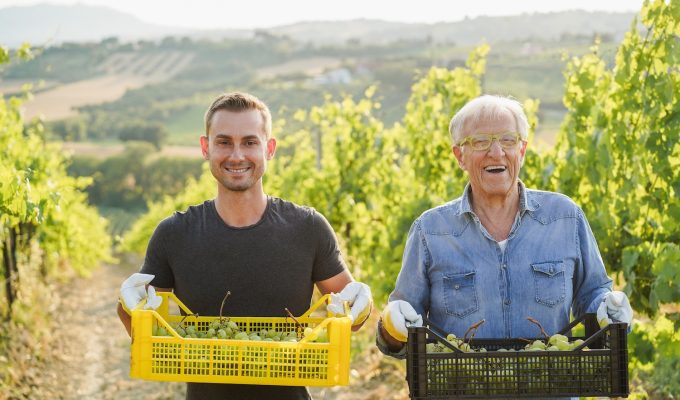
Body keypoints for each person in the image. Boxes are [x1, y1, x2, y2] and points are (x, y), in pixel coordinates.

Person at [116, 92, 372, 400]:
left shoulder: (308, 228)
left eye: (250, 142)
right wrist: (126, 305)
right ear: (205, 147)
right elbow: (141, 328)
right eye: (224, 142)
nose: (237, 155)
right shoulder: (175, 234)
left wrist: (362, 304)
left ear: (270, 148)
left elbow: (351, 317)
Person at [376, 94, 633, 357]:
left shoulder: (565, 218)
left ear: (521, 150)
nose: (496, 152)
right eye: (480, 142)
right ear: (459, 156)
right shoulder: (430, 231)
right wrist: (391, 326)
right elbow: (400, 336)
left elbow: (593, 295)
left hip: (551, 391)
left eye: (508, 140)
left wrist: (608, 308)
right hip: (460, 391)